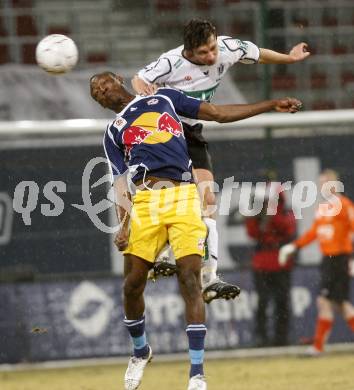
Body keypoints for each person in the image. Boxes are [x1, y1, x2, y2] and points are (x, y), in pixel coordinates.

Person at [90, 71, 301, 390]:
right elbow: (120, 184)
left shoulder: (162, 99)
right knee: (132, 285)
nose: (101, 89)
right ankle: (140, 351)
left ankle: (197, 374)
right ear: (99, 102)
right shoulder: (113, 132)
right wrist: (123, 224)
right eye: (95, 91)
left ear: (118, 79)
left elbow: (217, 114)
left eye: (104, 82)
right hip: (146, 201)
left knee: (189, 278)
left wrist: (270, 104)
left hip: (183, 195)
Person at [132, 18, 310, 303]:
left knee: (208, 203)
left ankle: (211, 277)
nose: (211, 56)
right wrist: (145, 91)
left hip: (191, 131)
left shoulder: (227, 47)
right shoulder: (171, 61)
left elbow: (258, 52)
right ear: (189, 50)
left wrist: (289, 58)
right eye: (203, 53)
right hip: (165, 134)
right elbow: (139, 78)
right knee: (169, 197)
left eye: (212, 49)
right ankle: (161, 255)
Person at [279, 169, 354, 355]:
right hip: (327, 260)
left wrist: (352, 258)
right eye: (321, 183)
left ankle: (318, 347)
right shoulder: (322, 208)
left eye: (327, 183)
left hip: (340, 259)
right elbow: (314, 232)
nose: (324, 187)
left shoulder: (345, 205)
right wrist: (294, 246)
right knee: (336, 303)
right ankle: (318, 346)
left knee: (330, 302)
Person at [245, 178, 296, 347]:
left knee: (282, 301)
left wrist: (271, 213)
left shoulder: (285, 212)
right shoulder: (257, 214)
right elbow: (252, 232)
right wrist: (258, 216)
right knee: (262, 301)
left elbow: (288, 229)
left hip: (281, 261)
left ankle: (281, 337)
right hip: (262, 263)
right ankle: (261, 337)